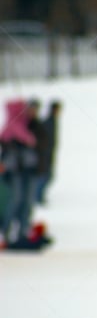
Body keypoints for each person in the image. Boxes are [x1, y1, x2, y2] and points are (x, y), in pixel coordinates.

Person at [0, 99, 38, 245]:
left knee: (25, 202)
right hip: (15, 171)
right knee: (15, 201)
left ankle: (21, 231)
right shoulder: (13, 126)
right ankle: (7, 231)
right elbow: (28, 141)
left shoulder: (24, 125)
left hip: (25, 171)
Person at [34, 100, 61, 204]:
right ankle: (38, 197)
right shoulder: (48, 122)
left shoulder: (52, 120)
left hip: (49, 153)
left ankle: (39, 196)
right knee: (46, 176)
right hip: (44, 154)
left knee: (48, 176)